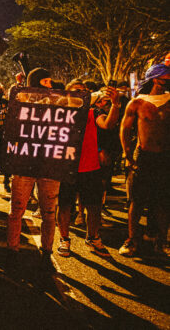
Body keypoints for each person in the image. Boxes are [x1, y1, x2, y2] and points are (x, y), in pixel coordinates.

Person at [5, 68, 60, 274]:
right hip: (25, 163)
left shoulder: (59, 103)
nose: (50, 85)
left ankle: (46, 252)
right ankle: (13, 250)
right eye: (46, 81)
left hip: (50, 165)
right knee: (16, 210)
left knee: (49, 212)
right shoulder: (21, 102)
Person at [56, 82, 121, 259]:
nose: (82, 94)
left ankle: (93, 237)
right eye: (77, 91)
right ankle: (64, 238)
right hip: (67, 166)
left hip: (90, 166)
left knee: (93, 205)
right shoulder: (61, 112)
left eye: (84, 91)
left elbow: (108, 124)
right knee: (65, 204)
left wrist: (115, 104)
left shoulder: (94, 112)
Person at [119, 64, 170, 257]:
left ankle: (162, 241)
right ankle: (132, 241)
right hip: (144, 157)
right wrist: (127, 155)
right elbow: (124, 129)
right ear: (156, 79)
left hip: (165, 157)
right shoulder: (137, 103)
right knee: (137, 201)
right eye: (166, 77)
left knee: (163, 202)